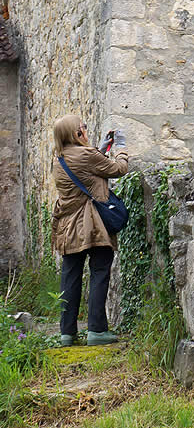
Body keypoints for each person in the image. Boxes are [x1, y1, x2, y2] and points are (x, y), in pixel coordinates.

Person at [52, 115, 128, 346]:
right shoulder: (86, 155)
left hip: (68, 226)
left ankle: (66, 333)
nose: (86, 130)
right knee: (99, 272)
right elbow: (118, 169)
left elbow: (89, 170)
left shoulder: (58, 158)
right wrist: (121, 149)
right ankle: (96, 330)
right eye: (82, 128)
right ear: (76, 134)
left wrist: (100, 149)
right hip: (93, 224)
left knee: (70, 277)